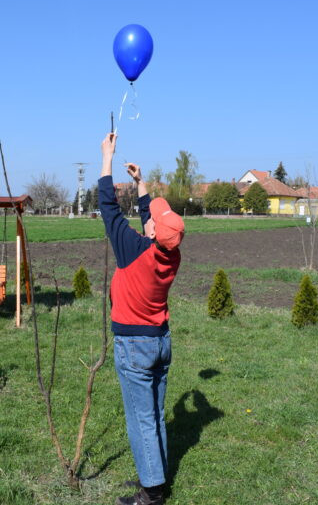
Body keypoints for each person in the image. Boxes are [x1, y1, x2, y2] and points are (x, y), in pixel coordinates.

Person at [99, 133, 185, 505]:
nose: (149, 217)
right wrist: (141, 183)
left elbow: (108, 208)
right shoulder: (169, 253)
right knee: (155, 414)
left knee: (141, 419)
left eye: (153, 219)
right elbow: (153, 220)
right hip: (160, 340)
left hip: (135, 345)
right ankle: (155, 476)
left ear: (152, 232)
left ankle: (151, 494)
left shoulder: (134, 250)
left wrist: (107, 157)